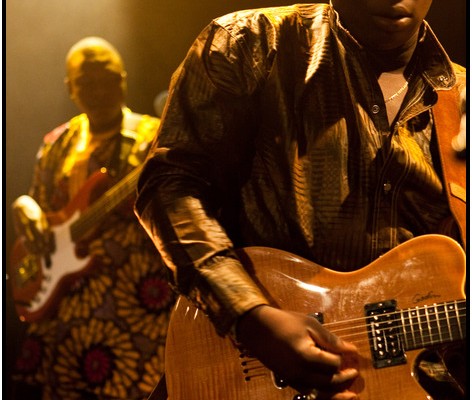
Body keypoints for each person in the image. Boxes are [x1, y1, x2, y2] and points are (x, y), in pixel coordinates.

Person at [134, 1, 466, 399]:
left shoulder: (460, 104)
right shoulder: (251, 44)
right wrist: (251, 317)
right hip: (244, 375)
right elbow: (170, 186)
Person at [10, 37, 175, 400]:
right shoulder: (59, 142)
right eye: (87, 81)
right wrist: (25, 206)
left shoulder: (157, 135)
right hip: (65, 313)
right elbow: (39, 206)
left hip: (135, 312)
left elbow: (183, 209)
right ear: (70, 87)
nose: (99, 89)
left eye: (108, 78)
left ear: (123, 79)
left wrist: (144, 204)